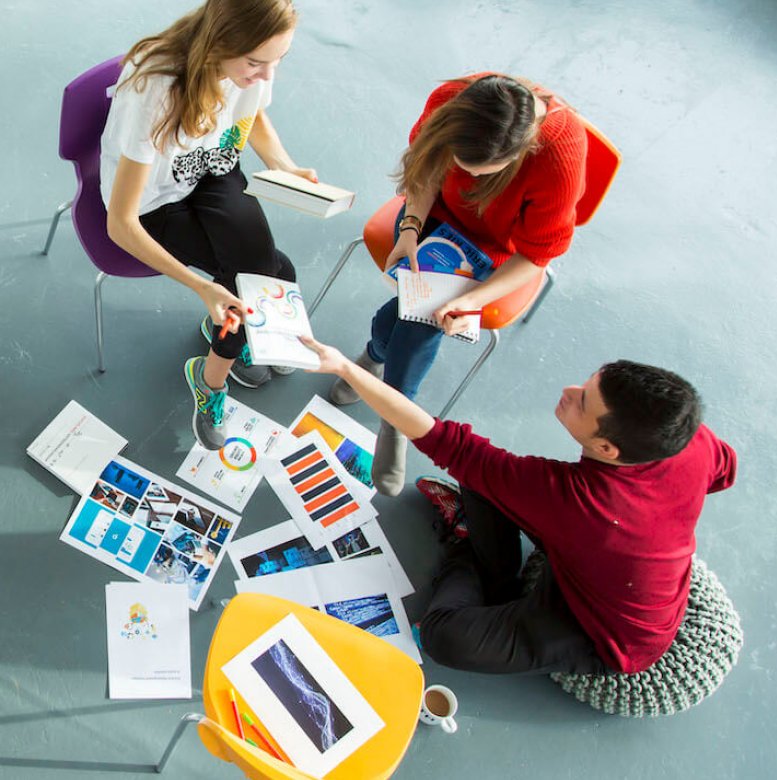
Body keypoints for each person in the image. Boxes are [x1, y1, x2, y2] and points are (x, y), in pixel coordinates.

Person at [305, 335, 737, 675]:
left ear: (607, 447)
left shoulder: (574, 501)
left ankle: (465, 545)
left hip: (601, 632)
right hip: (589, 552)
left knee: (444, 639)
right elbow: (725, 471)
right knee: (481, 476)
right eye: (585, 384)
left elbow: (439, 439)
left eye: (582, 401)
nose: (569, 391)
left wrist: (346, 368)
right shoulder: (692, 440)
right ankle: (492, 568)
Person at [328, 73, 587, 496]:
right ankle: (391, 395)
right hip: (431, 218)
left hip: (497, 250)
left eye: (480, 171)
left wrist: (472, 299)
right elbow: (426, 173)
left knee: (420, 315)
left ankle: (386, 391)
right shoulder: (451, 100)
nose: (466, 175)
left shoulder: (559, 152)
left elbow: (538, 255)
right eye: (461, 163)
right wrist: (410, 228)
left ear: (520, 153)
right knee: (414, 313)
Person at [101, 0, 314, 451]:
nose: (268, 75)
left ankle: (225, 352)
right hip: (154, 201)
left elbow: (250, 114)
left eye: (279, 60)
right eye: (256, 63)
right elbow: (120, 224)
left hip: (211, 169)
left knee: (267, 271)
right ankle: (210, 380)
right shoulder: (158, 89)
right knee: (256, 281)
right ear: (219, 42)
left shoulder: (248, 69)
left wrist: (284, 165)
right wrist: (201, 287)